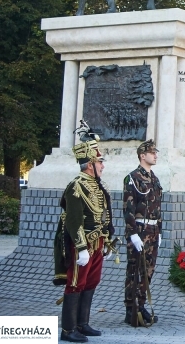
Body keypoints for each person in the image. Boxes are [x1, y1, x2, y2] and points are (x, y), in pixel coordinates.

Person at [53, 123, 114, 342]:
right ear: (89, 165)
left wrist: (107, 241)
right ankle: (68, 329)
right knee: (76, 282)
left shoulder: (99, 185)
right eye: (100, 162)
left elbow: (105, 215)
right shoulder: (76, 185)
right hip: (83, 244)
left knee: (91, 282)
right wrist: (80, 247)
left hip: (98, 242)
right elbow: (73, 219)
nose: (102, 166)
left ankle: (83, 323)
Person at [123, 139, 163, 326]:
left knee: (148, 271)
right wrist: (132, 233)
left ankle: (141, 305)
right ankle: (131, 309)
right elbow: (128, 208)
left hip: (152, 230)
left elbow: (158, 207)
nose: (155, 155)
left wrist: (159, 230)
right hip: (139, 229)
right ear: (142, 155)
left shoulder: (154, 178)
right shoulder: (133, 178)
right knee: (135, 270)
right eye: (152, 152)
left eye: (155, 152)